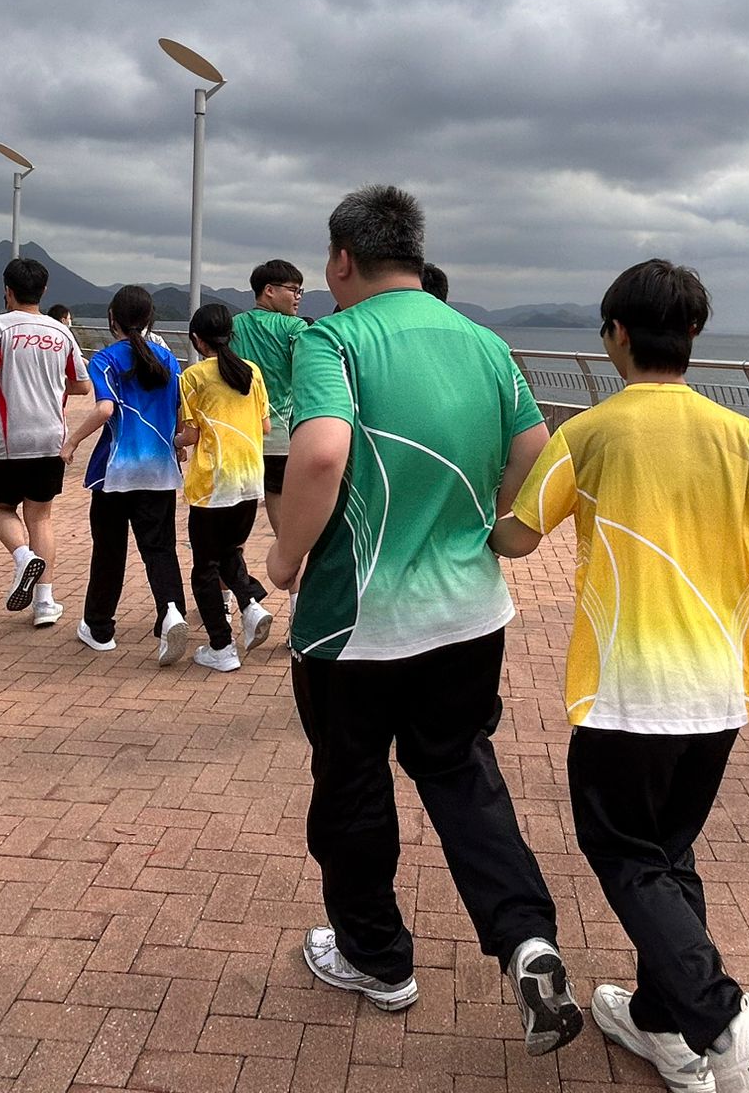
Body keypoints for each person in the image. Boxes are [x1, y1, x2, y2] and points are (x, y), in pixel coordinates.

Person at [264, 186, 580, 1054]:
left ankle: (377, 958)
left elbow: (320, 455)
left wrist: (285, 559)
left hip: (354, 620)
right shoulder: (485, 343)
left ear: (341, 259)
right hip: (471, 615)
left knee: (352, 784)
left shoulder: (333, 339)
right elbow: (537, 451)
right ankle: (527, 940)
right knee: (462, 775)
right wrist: (492, 525)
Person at [494, 261, 749, 1093]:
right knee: (669, 855)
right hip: (717, 689)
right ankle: (662, 1023)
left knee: (624, 853)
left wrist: (477, 520)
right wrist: (722, 557)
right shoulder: (741, 435)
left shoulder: (590, 432)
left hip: (624, 690)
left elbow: (520, 537)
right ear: (695, 334)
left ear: (616, 335)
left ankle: (728, 1023)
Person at [65, 285, 188, 662]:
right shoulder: (169, 360)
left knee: (109, 549)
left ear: (111, 318)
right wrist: (178, 444)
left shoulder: (105, 360)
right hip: (160, 471)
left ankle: (99, 628)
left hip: (115, 472)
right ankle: (171, 612)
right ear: (150, 319)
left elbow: (105, 409)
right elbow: (179, 413)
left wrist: (71, 442)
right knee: (160, 548)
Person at [0, 259, 89, 628]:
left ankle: (23, 557)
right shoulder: (61, 331)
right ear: (44, 289)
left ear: (7, 290)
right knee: (41, 517)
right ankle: (45, 603)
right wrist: (53, 387)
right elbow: (82, 384)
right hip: (52, 438)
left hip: (9, 439)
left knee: (1, 508)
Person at [174, 302, 274, 671]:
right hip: (249, 478)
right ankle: (250, 604)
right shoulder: (251, 372)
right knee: (229, 551)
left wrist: (173, 442)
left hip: (212, 484)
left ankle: (221, 647)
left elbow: (190, 434)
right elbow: (265, 427)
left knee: (204, 567)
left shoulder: (193, 377)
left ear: (197, 340)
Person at [230, 259, 307, 530]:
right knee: (281, 508)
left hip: (238, 435)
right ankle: (287, 556)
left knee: (236, 514)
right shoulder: (295, 328)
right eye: (293, 290)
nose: (298, 297)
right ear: (269, 290)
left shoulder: (233, 326)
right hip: (280, 438)